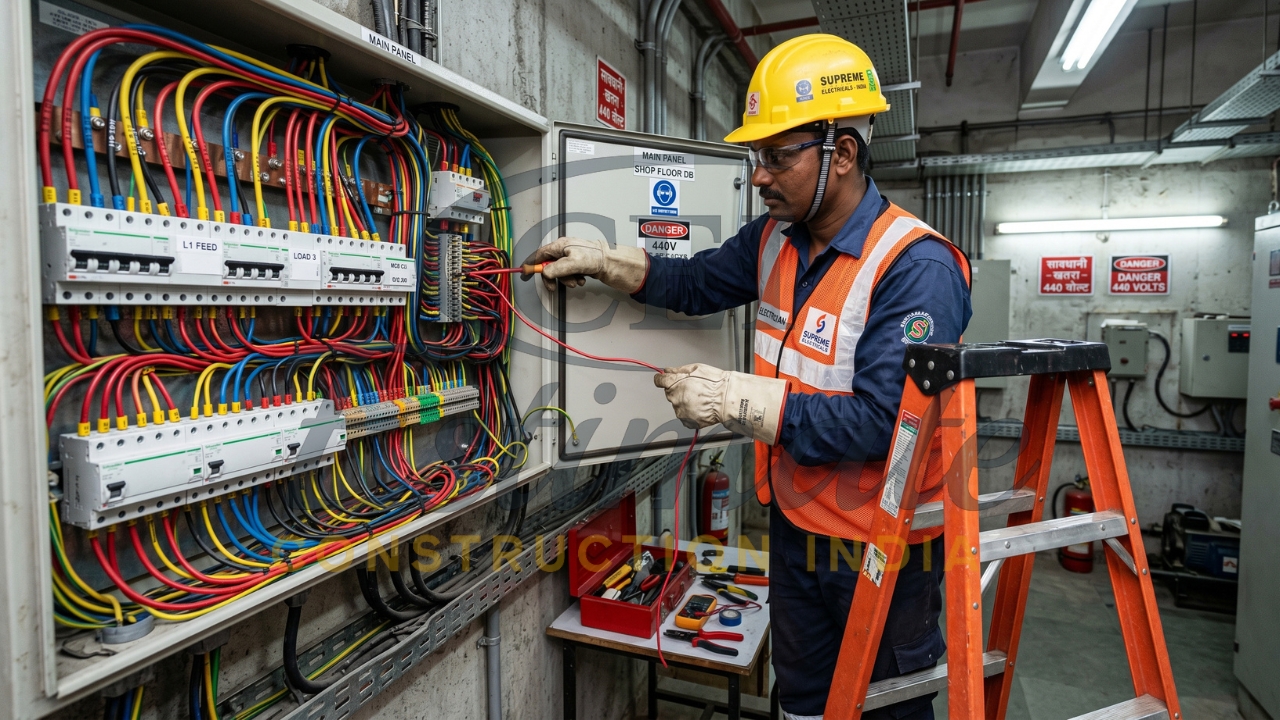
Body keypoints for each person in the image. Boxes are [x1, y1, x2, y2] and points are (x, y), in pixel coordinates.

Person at [524, 34, 972, 720]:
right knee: (800, 701)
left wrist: (736, 399)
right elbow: (697, 279)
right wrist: (609, 264)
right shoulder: (775, 240)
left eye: (776, 156)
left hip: (883, 552)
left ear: (842, 153)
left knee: (882, 710)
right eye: (757, 157)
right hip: (795, 529)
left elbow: (887, 425)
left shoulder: (916, 269)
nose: (758, 175)